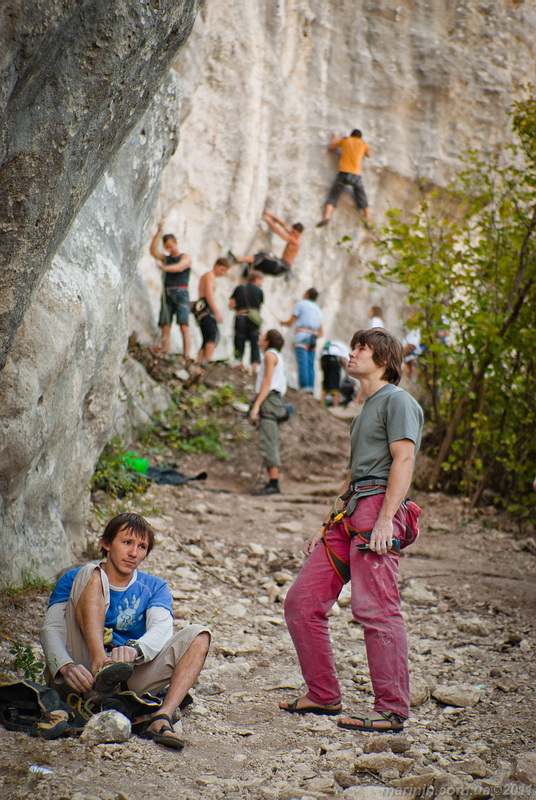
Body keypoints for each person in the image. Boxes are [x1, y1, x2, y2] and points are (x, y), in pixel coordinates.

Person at [279, 328, 424, 733]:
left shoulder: (398, 401)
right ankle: (322, 694)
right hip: (352, 512)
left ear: (383, 360)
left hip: (378, 511)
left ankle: (391, 709)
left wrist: (384, 520)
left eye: (362, 348)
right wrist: (324, 524)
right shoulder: (366, 408)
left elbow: (404, 459)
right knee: (301, 602)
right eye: (354, 346)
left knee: (376, 609)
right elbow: (352, 478)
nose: (352, 352)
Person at [40, 512, 211, 750]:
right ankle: (101, 662)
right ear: (106, 543)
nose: (134, 553)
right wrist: (65, 666)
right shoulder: (75, 577)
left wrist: (135, 650)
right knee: (91, 572)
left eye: (142, 547)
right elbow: (52, 628)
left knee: (199, 635)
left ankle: (162, 717)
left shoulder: (154, 586)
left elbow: (161, 627)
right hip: (80, 671)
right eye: (127, 543)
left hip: (127, 675)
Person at [249, 329, 288, 496]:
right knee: (270, 437)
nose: (260, 339)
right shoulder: (276, 356)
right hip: (274, 399)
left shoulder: (269, 355)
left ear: (268, 341)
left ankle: (273, 483)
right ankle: (272, 481)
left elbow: (267, 381)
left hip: (269, 400)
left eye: (263, 337)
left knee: (268, 439)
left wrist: (256, 405)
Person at [150, 223, 192, 358]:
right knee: (165, 324)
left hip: (181, 293)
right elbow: (153, 251)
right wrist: (158, 231)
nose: (169, 249)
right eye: (167, 247)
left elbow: (180, 267)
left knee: (183, 325)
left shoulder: (185, 257)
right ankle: (165, 349)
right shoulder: (166, 258)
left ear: (176, 243)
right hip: (167, 292)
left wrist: (164, 268)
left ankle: (186, 354)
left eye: (171, 246)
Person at [317, 129, 372, 228]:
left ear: (351, 135)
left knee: (333, 195)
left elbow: (331, 147)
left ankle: (326, 216)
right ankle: (368, 220)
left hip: (343, 172)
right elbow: (369, 155)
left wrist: (335, 136)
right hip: (356, 174)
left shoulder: (346, 140)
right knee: (362, 197)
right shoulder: (363, 144)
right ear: (360, 137)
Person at [233, 210, 304, 278]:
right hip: (281, 264)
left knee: (263, 256)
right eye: (292, 231)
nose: (292, 233)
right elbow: (284, 225)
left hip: (282, 266)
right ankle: (246, 275)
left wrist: (268, 220)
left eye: (294, 233)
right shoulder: (294, 236)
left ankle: (238, 259)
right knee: (259, 264)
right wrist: (271, 214)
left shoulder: (295, 241)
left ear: (300, 234)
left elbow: (278, 232)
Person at [281, 288, 323, 393]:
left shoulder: (301, 304)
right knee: (310, 363)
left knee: (303, 362)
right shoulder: (318, 309)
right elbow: (321, 332)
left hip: (302, 336)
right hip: (313, 338)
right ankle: (310, 388)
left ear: (307, 294)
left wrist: (282, 323)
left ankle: (304, 388)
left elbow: (291, 322)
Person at [193, 257, 231, 363]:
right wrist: (216, 312)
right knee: (212, 333)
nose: (223, 273)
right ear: (216, 266)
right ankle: (207, 360)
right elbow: (208, 294)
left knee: (206, 335)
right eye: (222, 270)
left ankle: (199, 361)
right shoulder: (209, 276)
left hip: (201, 305)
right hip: (204, 305)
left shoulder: (210, 276)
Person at [229, 270, 264, 373]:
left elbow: (231, 305)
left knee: (239, 340)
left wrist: (239, 309)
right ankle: (255, 367)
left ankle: (238, 363)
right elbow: (259, 309)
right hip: (253, 320)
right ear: (256, 279)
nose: (261, 283)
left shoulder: (239, 288)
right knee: (254, 342)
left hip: (240, 317)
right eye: (261, 281)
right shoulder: (259, 291)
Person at [320, 339, 349, 408]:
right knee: (335, 384)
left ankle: (321, 404)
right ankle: (335, 407)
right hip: (334, 359)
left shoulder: (335, 344)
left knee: (325, 382)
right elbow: (343, 361)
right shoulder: (345, 349)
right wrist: (347, 373)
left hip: (324, 358)